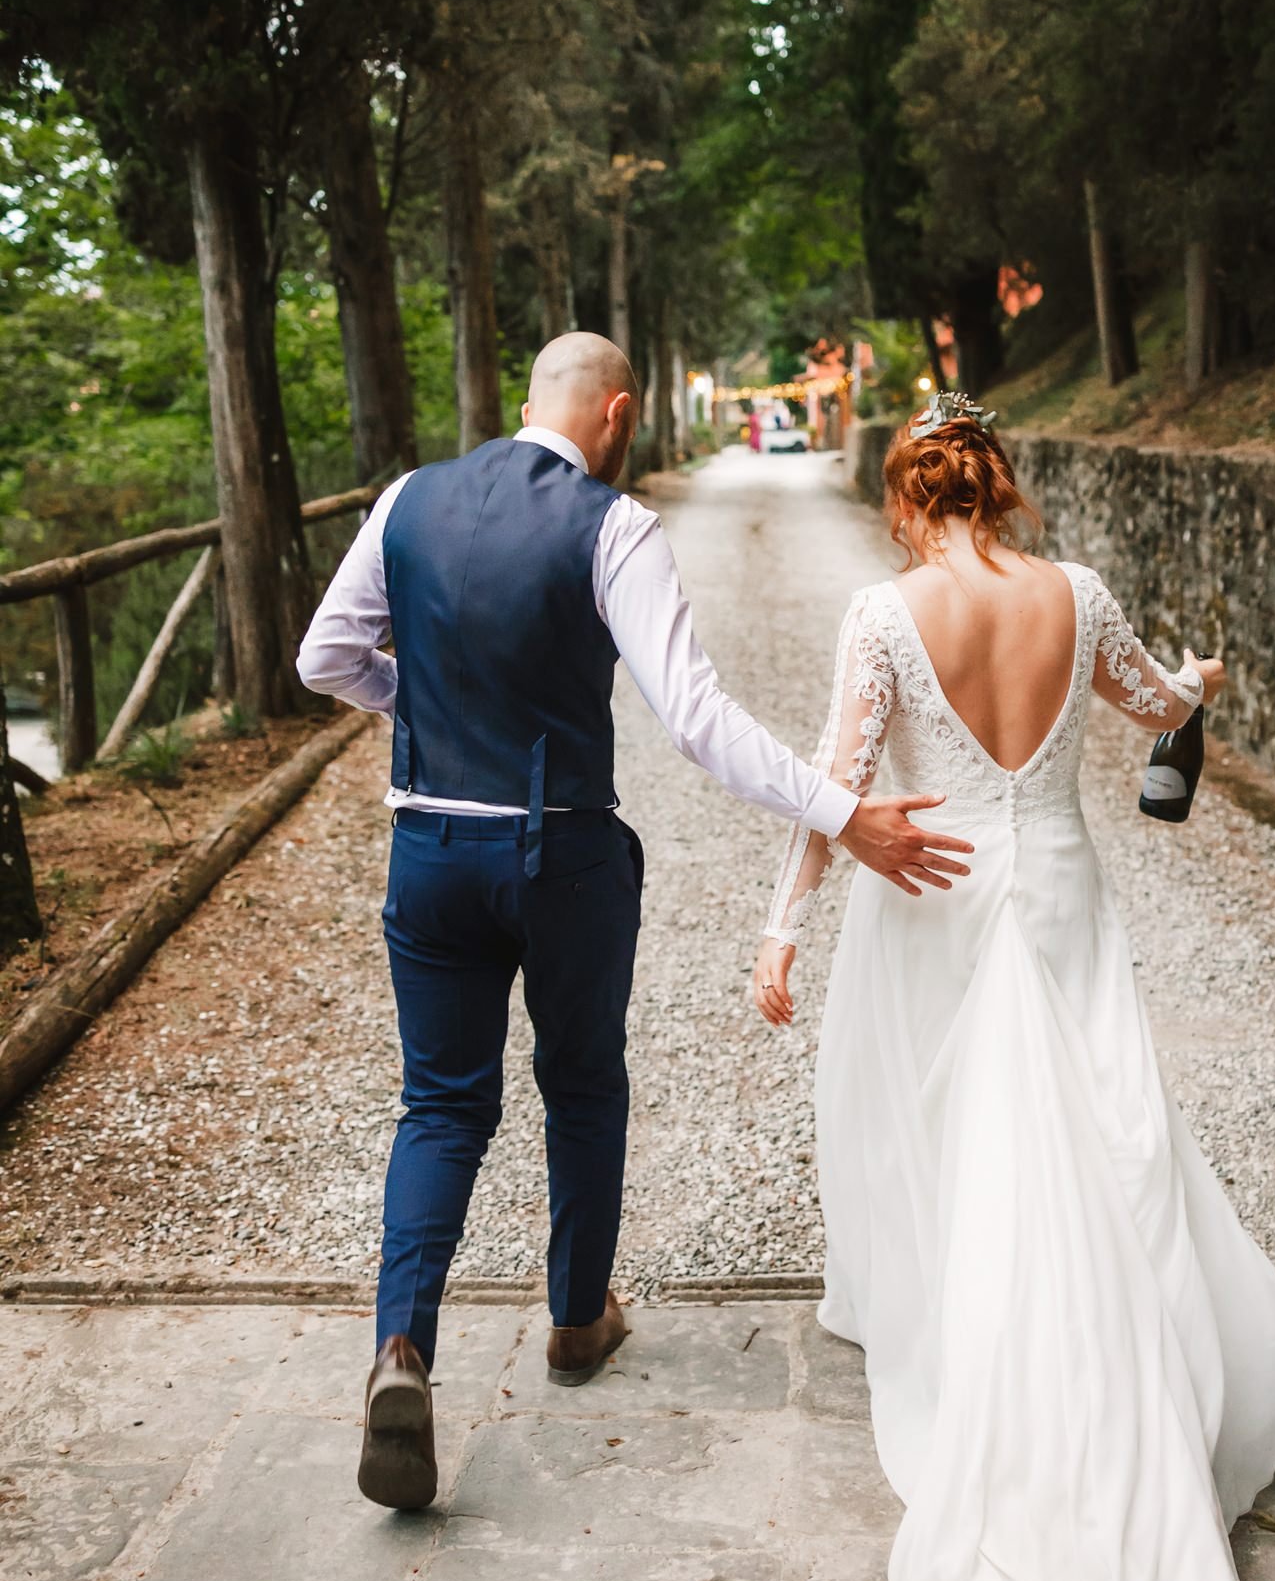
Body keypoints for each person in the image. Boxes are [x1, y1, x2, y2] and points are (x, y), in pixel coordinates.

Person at [296, 334, 972, 1511]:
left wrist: (434, 707)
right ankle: (574, 1317)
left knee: (442, 1102)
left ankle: (401, 1348)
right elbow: (698, 722)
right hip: (561, 851)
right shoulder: (612, 526)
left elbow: (327, 657)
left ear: (522, 407)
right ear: (615, 413)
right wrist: (842, 810)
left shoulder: (406, 499)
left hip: (430, 851)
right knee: (583, 1079)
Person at [751, 392, 1275, 1581]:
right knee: (1095, 1130)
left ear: (908, 500)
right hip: (1061, 881)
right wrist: (1199, 684)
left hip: (935, 896)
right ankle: (1113, 1364)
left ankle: (987, 1359)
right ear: (1003, 486)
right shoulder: (1077, 594)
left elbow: (834, 786)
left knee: (951, 1134)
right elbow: (1154, 709)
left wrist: (780, 931)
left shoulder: (881, 615)